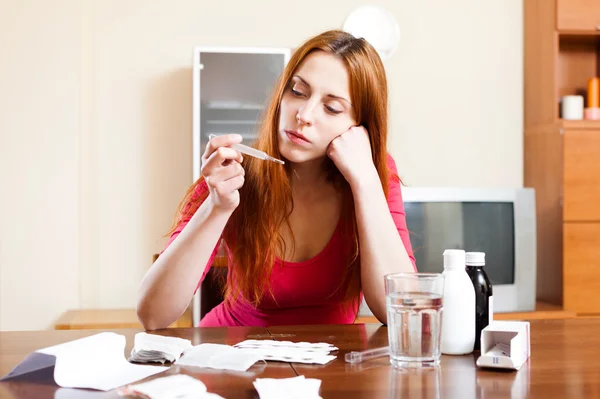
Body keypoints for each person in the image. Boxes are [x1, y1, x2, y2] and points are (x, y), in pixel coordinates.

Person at [136, 30, 416, 330]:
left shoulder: (374, 176)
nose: (304, 114)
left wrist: (366, 184)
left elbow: (403, 314)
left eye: (332, 107)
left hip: (330, 367)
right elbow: (153, 315)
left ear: (359, 127)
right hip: (232, 357)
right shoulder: (234, 172)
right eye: (297, 91)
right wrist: (216, 206)